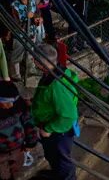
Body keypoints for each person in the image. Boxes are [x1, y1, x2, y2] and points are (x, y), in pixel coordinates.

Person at [31, 43, 77, 180]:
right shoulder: (57, 71)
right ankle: (58, 174)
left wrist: (48, 128)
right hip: (55, 129)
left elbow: (69, 115)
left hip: (58, 132)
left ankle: (67, 178)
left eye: (34, 59)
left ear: (39, 62)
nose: (32, 60)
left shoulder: (56, 86)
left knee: (62, 160)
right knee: (54, 156)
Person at [0, 81, 37, 180]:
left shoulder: (19, 103)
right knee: (3, 176)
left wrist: (31, 143)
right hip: (1, 155)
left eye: (13, 101)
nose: (11, 105)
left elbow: (29, 122)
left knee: (16, 170)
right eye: (7, 102)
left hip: (19, 149)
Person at [4, 0, 34, 84]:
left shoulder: (32, 0)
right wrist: (27, 17)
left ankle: (30, 71)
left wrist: (37, 18)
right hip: (19, 35)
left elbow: (37, 12)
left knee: (30, 53)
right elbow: (14, 22)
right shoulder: (14, 6)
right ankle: (15, 77)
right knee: (16, 57)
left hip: (31, 33)